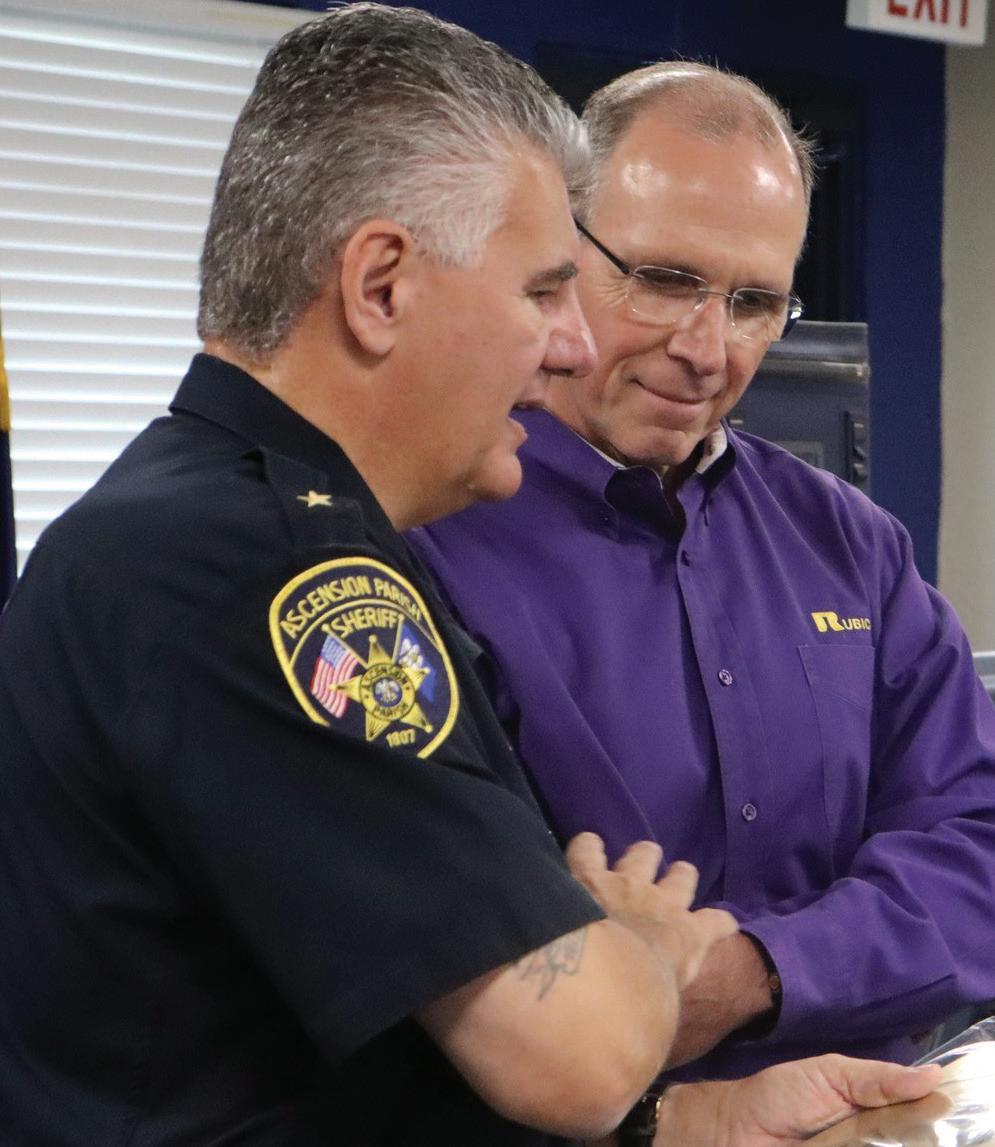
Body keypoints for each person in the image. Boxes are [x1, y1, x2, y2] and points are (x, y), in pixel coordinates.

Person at [0, 10, 942, 1144]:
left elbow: (378, 1034)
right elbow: (576, 1056)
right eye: (543, 291)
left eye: (752, 302)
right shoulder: (273, 572)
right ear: (382, 287)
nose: (569, 345)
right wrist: (645, 942)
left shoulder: (201, 518)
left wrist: (700, 1115)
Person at [410, 59, 995, 1087]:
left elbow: (979, 848)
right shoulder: (429, 537)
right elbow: (457, 937)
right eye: (664, 279)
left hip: (869, 1113)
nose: (707, 348)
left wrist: (754, 973)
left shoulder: (851, 546)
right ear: (557, 252)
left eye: (754, 301)